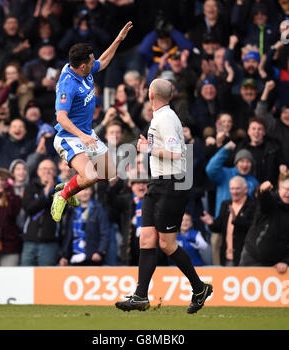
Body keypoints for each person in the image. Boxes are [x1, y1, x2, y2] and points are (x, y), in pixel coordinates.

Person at [115, 78, 213, 314]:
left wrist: (147, 149)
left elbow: (177, 153)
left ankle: (200, 288)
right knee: (146, 239)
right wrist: (147, 147)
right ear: (169, 95)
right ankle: (140, 296)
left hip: (172, 184)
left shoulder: (167, 118)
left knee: (167, 245)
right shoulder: (160, 117)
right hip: (157, 183)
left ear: (150, 95)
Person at [51, 21, 133, 223]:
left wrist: (118, 40)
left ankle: (68, 186)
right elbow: (61, 117)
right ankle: (62, 195)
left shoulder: (84, 71)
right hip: (68, 136)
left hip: (86, 133)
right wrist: (83, 137)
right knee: (89, 176)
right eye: (91, 61)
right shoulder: (68, 84)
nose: (94, 62)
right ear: (81, 66)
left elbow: (103, 61)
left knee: (108, 172)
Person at [201, 176, 256, 266]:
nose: (234, 192)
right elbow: (218, 227)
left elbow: (253, 227)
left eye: (237, 188)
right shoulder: (226, 204)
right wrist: (211, 223)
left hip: (245, 258)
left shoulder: (253, 205)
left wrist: (236, 220)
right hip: (227, 256)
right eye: (232, 189)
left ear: (245, 189)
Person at [239, 174, 289, 274]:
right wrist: (262, 191)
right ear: (279, 189)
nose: (288, 193)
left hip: (278, 267)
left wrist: (286, 262)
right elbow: (264, 201)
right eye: (286, 189)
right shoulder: (272, 201)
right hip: (252, 258)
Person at [20, 159, 60, 266]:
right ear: (38, 172)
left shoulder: (60, 189)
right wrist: (46, 193)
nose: (47, 172)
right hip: (30, 241)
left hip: (49, 242)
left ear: (55, 172)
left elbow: (58, 210)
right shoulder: (30, 187)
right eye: (44, 169)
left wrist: (51, 190)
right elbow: (29, 208)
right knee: (25, 275)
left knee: (46, 278)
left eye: (50, 169)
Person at [206, 140, 259, 218]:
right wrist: (225, 150)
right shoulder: (225, 174)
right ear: (236, 163)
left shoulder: (254, 182)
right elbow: (210, 169)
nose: (245, 165)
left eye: (248, 162)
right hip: (222, 222)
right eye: (242, 161)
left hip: (243, 224)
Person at [59, 186, 110, 266]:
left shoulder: (99, 209)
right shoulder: (72, 211)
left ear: (91, 191)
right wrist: (64, 256)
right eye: (80, 191)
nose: (84, 193)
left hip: (93, 257)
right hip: (75, 258)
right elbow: (68, 236)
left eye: (86, 189)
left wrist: (100, 252)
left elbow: (105, 233)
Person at [0, 168, 22, 266]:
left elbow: (12, 213)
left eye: (3, 180)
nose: (0, 183)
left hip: (10, 246)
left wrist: (8, 192)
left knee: (9, 279)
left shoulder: (14, 197)